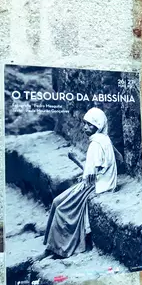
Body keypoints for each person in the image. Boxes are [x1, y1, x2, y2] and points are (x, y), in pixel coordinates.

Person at [43, 107, 118, 259]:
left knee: (61, 207)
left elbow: (90, 175)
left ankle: (61, 249)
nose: (85, 127)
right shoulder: (104, 139)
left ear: (97, 126)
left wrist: (86, 178)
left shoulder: (96, 145)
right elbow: (107, 164)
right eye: (85, 123)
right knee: (56, 201)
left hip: (97, 186)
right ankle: (51, 246)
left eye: (89, 125)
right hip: (100, 181)